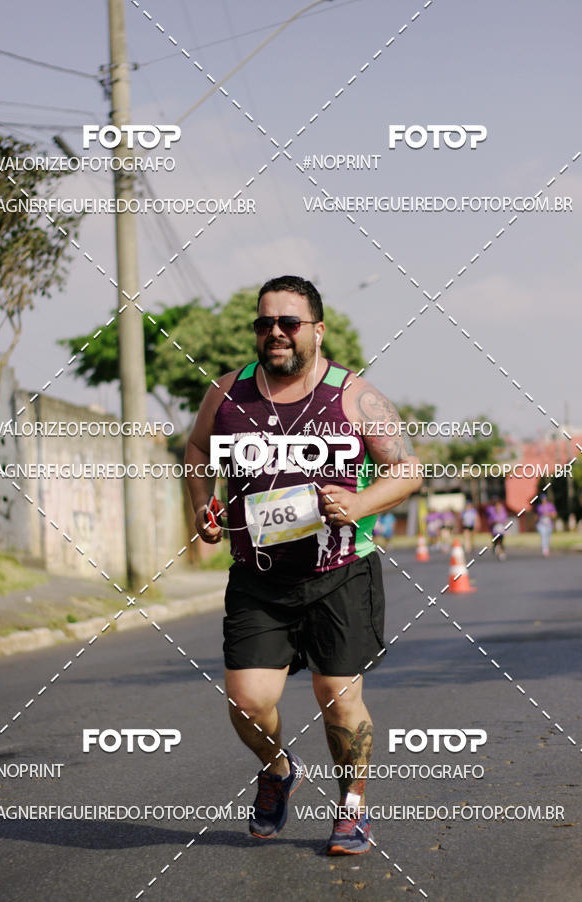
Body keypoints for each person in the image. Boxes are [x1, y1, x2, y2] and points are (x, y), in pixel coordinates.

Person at [185, 275, 422, 855]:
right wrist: (202, 505)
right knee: (248, 700)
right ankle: (277, 768)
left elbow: (409, 469)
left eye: (288, 323)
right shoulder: (227, 393)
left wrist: (361, 504)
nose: (275, 333)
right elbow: (195, 449)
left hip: (339, 571)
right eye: (264, 323)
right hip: (258, 576)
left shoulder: (353, 396)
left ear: (317, 329)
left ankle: (353, 809)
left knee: (338, 693)